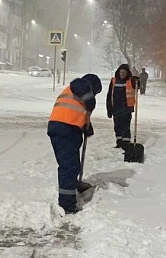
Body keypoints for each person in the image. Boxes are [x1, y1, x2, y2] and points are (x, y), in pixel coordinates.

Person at [47, 73, 102, 215]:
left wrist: (86, 126)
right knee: (69, 167)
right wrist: (91, 101)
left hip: (67, 128)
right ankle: (66, 203)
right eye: (95, 92)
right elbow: (79, 84)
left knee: (71, 164)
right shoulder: (81, 85)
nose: (94, 95)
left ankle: (72, 185)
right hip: (64, 128)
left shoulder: (79, 93)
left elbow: (76, 111)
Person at [106, 64, 139, 149]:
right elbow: (110, 95)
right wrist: (109, 108)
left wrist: (137, 80)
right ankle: (119, 142)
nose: (122, 74)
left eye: (124, 72)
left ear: (127, 73)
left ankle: (126, 143)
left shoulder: (130, 81)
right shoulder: (114, 81)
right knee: (117, 126)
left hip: (126, 108)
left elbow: (137, 85)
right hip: (116, 108)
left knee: (125, 126)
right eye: (121, 72)